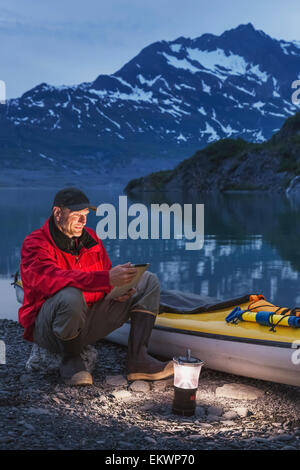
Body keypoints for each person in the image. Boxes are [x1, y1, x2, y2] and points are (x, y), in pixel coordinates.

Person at [19, 187, 174, 386]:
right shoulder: (35, 243)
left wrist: (117, 292)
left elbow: (102, 278)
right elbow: (51, 280)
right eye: (76, 216)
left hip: (87, 321)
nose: (83, 221)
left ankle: (138, 360)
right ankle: (71, 360)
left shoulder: (91, 239)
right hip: (49, 330)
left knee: (147, 281)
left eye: (85, 215)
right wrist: (106, 280)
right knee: (70, 294)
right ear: (58, 213)